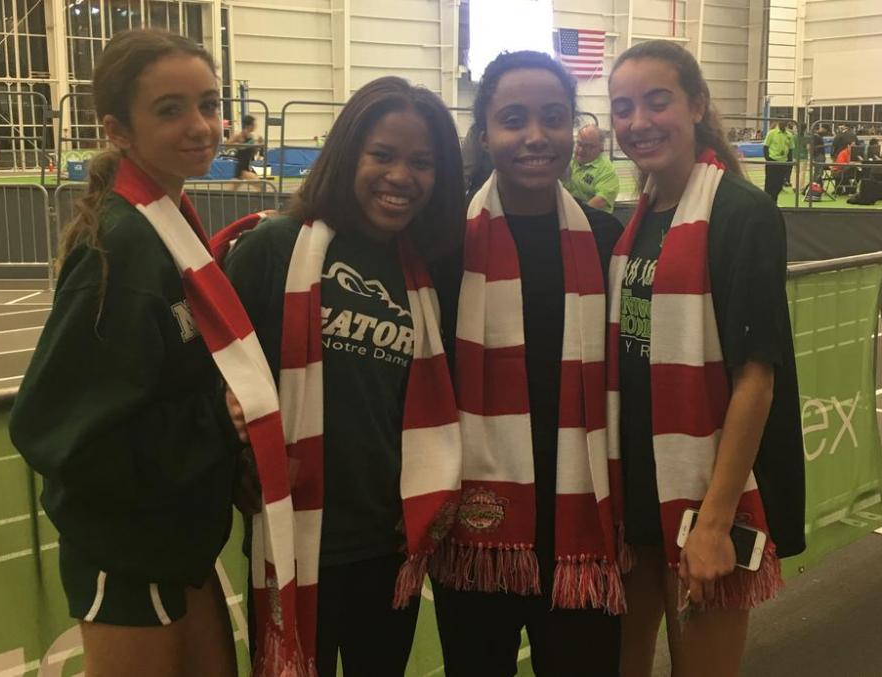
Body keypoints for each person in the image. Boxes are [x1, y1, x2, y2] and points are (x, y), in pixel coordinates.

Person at [9, 29, 240, 677]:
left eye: (209, 104)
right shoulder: (122, 247)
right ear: (118, 130)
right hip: (130, 551)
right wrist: (221, 418)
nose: (201, 126)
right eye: (170, 110)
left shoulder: (171, 220)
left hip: (178, 541)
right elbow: (59, 429)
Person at [223, 76, 465, 677]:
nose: (401, 176)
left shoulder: (432, 271)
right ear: (346, 155)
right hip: (296, 535)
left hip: (389, 541)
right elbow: (214, 375)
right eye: (382, 155)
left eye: (422, 163)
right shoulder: (275, 248)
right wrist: (234, 447)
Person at [607, 39, 805, 677]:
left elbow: (757, 378)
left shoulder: (742, 214)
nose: (638, 121)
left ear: (696, 104)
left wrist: (715, 523)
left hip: (704, 492)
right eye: (623, 108)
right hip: (636, 485)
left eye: (657, 101)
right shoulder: (636, 218)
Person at [429, 50, 625, 676]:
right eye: (514, 120)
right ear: (485, 133)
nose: (536, 136)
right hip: (476, 522)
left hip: (581, 516)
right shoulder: (443, 243)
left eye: (553, 118)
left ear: (573, 128)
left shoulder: (606, 240)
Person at [562, 123, 621, 212]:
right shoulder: (569, 161)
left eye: (588, 146)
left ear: (601, 147)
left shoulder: (607, 170)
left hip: (593, 216)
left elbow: (601, 201)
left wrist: (575, 214)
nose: (581, 150)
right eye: (579, 144)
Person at [226, 114, 264, 179]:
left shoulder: (251, 137)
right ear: (248, 125)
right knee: (259, 183)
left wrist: (258, 145)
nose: (255, 126)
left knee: (234, 185)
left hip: (247, 166)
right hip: (242, 169)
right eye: (253, 124)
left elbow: (253, 152)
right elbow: (227, 145)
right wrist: (238, 145)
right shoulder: (239, 135)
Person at [762, 121, 791, 203]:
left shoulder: (789, 135)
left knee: (779, 185)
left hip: (783, 162)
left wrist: (789, 163)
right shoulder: (771, 133)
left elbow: (790, 149)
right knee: (769, 184)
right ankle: (768, 203)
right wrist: (768, 159)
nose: (783, 124)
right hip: (772, 161)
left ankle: (774, 202)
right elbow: (765, 146)